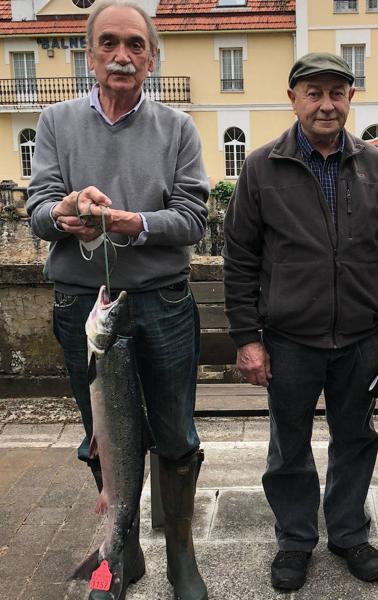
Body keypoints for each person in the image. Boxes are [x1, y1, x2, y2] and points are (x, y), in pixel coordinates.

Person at [26, 2, 209, 599]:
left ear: (152, 57)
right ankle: (122, 549)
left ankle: (181, 554)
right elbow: (37, 210)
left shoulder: (177, 128)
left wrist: (136, 226)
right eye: (108, 44)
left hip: (162, 302)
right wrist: (65, 213)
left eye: (135, 45)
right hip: (84, 306)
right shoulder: (54, 122)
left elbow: (193, 218)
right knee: (103, 433)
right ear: (90, 54)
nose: (121, 56)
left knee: (177, 435)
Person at [223, 52, 378, 591]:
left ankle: (350, 532)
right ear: (293, 99)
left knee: (356, 438)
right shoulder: (261, 167)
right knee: (290, 444)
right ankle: (295, 539)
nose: (326, 103)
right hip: (289, 339)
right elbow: (240, 258)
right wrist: (247, 338)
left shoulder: (375, 166)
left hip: (359, 336)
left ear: (351, 98)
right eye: (314, 92)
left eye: (337, 92)